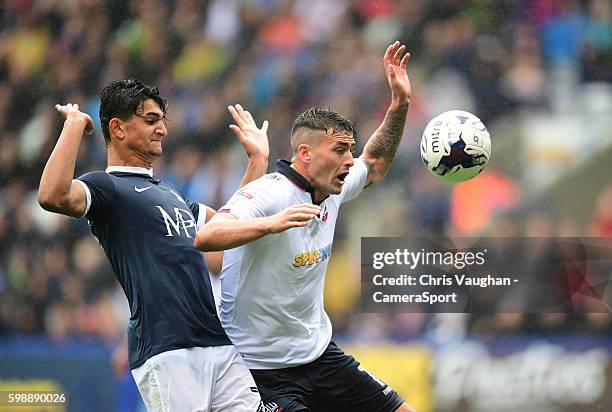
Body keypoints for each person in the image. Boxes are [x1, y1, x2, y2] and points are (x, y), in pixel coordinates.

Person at [195, 41, 416, 411]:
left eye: (350, 150)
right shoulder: (270, 194)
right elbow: (207, 236)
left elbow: (375, 162)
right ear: (305, 154)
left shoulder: (333, 189)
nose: (349, 160)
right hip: (261, 371)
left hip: (319, 356)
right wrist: (270, 224)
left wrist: (399, 105)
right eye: (340, 150)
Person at [38, 78, 270, 411]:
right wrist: (74, 125)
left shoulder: (173, 194)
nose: (161, 128)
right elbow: (52, 194)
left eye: (162, 120)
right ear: (117, 128)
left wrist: (257, 163)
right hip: (167, 349)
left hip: (218, 344)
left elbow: (228, 226)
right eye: (150, 120)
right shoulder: (107, 187)